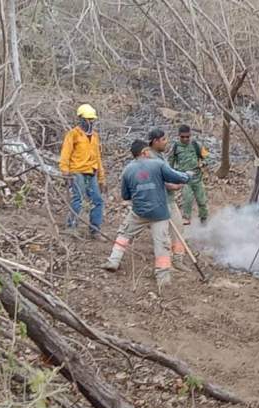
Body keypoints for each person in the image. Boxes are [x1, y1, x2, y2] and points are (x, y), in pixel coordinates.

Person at [101, 140, 191, 290]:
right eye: (148, 151)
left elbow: (125, 195)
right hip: (159, 213)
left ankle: (113, 261)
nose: (149, 153)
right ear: (144, 152)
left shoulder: (128, 170)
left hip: (139, 212)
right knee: (161, 243)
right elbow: (177, 177)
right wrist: (188, 176)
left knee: (124, 234)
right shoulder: (157, 164)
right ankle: (163, 278)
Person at [59, 104, 105, 239]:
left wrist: (102, 178)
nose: (90, 122)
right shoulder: (73, 134)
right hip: (76, 171)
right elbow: (65, 154)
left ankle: (95, 230)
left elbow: (98, 157)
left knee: (98, 200)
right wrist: (65, 172)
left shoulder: (95, 136)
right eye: (88, 119)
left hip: (91, 171)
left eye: (92, 119)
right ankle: (71, 227)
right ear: (81, 119)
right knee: (77, 199)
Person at [148, 128, 187, 258]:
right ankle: (170, 261)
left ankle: (177, 258)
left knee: (178, 229)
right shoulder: (150, 158)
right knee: (165, 233)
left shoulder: (159, 155)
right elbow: (155, 180)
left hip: (168, 199)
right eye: (164, 139)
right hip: (161, 201)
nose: (166, 142)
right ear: (155, 141)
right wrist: (174, 186)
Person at [170, 125, 209, 225]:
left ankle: (203, 220)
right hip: (184, 178)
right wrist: (173, 174)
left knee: (202, 200)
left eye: (187, 136)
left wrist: (203, 163)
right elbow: (170, 162)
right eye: (183, 137)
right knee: (187, 199)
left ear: (190, 135)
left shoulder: (196, 145)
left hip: (197, 177)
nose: (185, 139)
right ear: (179, 136)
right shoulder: (176, 147)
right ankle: (186, 219)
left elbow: (206, 156)